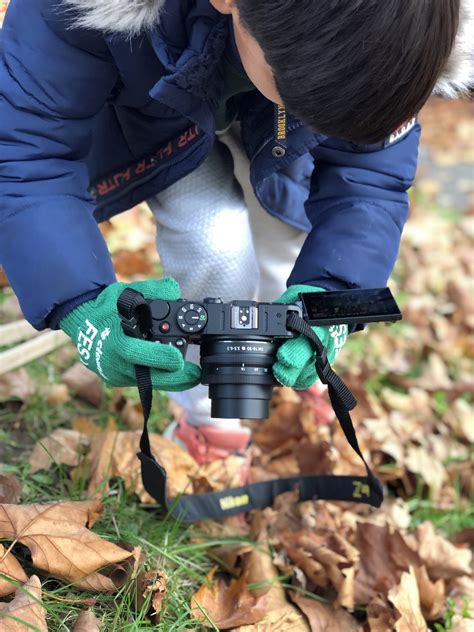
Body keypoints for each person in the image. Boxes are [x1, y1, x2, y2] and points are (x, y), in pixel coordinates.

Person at [0, 0, 471, 464]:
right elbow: (25, 152)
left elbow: (367, 178)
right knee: (213, 242)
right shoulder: (67, 9)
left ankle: (273, 361)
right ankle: (208, 420)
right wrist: (79, 301)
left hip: (281, 123)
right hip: (153, 114)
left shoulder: (410, 32)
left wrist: (333, 299)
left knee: (287, 238)